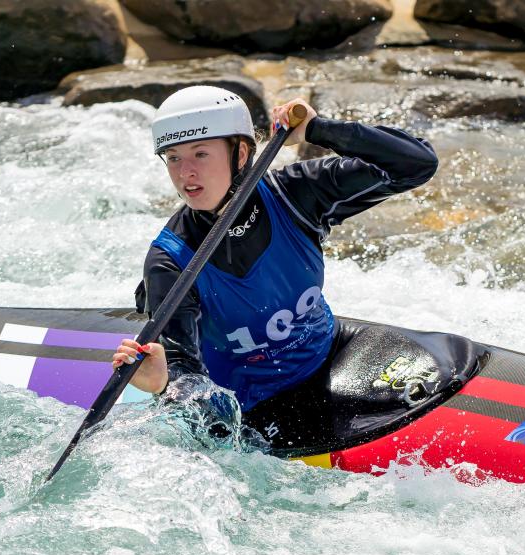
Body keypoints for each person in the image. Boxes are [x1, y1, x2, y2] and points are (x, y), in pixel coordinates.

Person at [113, 85, 438, 447]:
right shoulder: (170, 261)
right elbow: (184, 369)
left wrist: (319, 130)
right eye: (172, 158)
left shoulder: (295, 195)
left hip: (330, 353)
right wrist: (164, 382)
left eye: (200, 154)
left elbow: (416, 164)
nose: (185, 172)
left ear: (241, 154)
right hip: (251, 408)